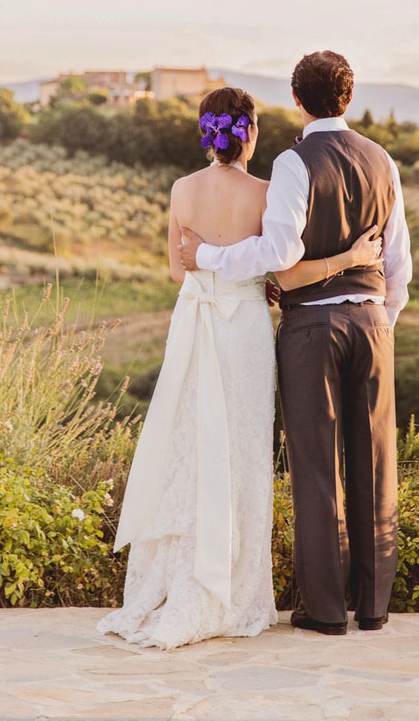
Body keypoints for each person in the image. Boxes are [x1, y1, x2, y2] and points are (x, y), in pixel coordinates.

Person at [95, 85, 382, 650]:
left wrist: (210, 263)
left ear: (206, 133)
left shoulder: (180, 190)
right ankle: (236, 590)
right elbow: (281, 264)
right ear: (248, 133)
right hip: (246, 329)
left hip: (196, 325)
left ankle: (180, 580)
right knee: (245, 452)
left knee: (195, 445)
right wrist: (279, 283)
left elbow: (179, 275)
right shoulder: (267, 191)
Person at [180, 52, 412, 635]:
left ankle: (325, 610)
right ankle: (374, 606)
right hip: (372, 324)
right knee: (376, 463)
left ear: (297, 101)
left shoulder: (293, 161)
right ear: (348, 100)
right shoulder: (382, 160)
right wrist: (383, 317)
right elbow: (399, 259)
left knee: (315, 467)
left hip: (313, 330)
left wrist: (206, 257)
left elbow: (279, 255)